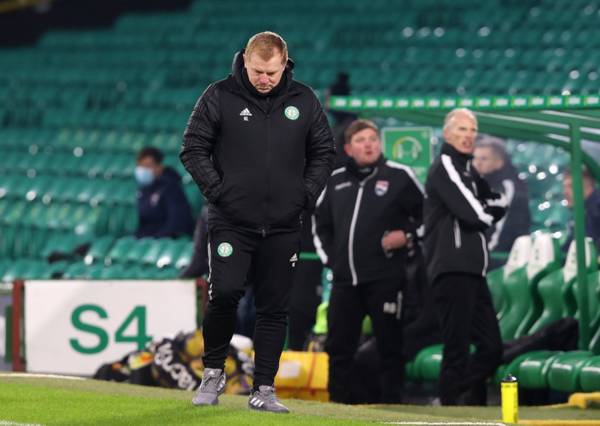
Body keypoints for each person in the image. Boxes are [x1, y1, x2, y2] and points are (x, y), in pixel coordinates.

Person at [180, 31, 335, 413]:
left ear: (285, 65)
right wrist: (219, 192)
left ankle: (264, 388)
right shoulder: (218, 95)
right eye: (257, 71)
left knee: (274, 307)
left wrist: (304, 194)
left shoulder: (305, 99)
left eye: (271, 72)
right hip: (231, 222)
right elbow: (192, 147)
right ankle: (214, 371)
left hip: (283, 224)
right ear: (244, 61)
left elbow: (324, 151)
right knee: (225, 294)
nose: (264, 79)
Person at [313, 119, 424, 404]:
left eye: (373, 139)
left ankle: (392, 406)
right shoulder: (335, 181)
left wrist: (407, 235)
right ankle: (338, 406)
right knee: (338, 347)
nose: (369, 144)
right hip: (344, 281)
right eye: (361, 140)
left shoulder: (400, 176)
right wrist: (332, 261)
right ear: (349, 149)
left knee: (390, 345)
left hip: (385, 278)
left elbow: (428, 216)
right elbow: (319, 224)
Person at [424, 108, 506, 405]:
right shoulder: (445, 164)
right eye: (462, 130)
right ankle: (449, 403)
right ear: (447, 134)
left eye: (473, 130)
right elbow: (475, 214)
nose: (468, 136)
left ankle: (453, 396)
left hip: (473, 269)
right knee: (456, 346)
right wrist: (491, 212)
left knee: (491, 347)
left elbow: (492, 203)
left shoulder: (468, 170)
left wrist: (491, 208)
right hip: (452, 267)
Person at [473, 136, 531, 267]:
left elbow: (502, 227)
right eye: (475, 158)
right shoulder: (481, 184)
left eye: (483, 159)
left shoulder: (507, 186)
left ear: (499, 162)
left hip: (503, 259)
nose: (477, 164)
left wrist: (484, 255)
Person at [134, 147, 194, 239]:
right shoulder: (144, 189)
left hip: (166, 241)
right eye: (140, 166)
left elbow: (177, 222)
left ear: (159, 167)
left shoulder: (171, 187)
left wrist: (156, 238)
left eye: (147, 166)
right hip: (148, 239)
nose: (143, 170)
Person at [562, 168, 600, 251]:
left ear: (588, 188)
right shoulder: (581, 211)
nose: (565, 192)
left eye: (571, 186)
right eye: (564, 187)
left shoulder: (596, 208)